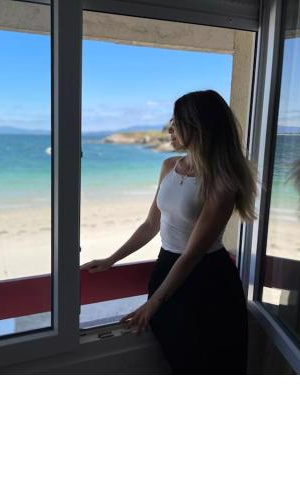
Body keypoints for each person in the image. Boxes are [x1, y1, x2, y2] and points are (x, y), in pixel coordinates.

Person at [80, 90, 257, 375]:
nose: (170, 129)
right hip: (166, 269)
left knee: (212, 366)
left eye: (176, 123)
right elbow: (151, 225)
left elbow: (192, 255)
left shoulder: (222, 181)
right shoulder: (169, 166)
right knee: (178, 360)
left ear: (199, 127)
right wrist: (111, 259)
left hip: (208, 279)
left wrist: (153, 303)